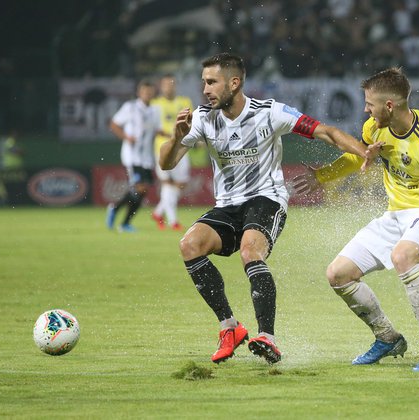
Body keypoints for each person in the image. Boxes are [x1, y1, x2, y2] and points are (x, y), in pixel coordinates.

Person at [160, 53, 370, 364]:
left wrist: (364, 152)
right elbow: (166, 163)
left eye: (211, 82)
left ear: (234, 82)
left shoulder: (270, 112)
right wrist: (177, 139)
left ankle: (267, 337)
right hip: (228, 205)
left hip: (266, 199)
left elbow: (326, 132)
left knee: (249, 251)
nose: (205, 89)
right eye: (203, 82)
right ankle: (229, 327)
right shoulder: (203, 119)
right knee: (189, 245)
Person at [292, 67, 419, 371]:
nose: (365, 109)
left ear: (389, 105)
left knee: (402, 256)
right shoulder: (374, 128)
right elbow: (358, 157)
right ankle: (387, 337)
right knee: (338, 274)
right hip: (395, 215)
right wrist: (323, 177)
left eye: (369, 104)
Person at [107, 79, 163, 232]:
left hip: (147, 158)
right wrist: (127, 137)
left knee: (142, 191)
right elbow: (114, 124)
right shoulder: (130, 107)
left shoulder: (155, 110)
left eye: (150, 92)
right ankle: (122, 219)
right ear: (139, 93)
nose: (148, 94)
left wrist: (171, 135)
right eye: (145, 92)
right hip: (132, 156)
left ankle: (118, 212)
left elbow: (155, 130)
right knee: (140, 188)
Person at [151, 75, 194, 231]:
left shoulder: (185, 102)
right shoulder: (155, 104)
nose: (169, 87)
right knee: (167, 183)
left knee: (180, 184)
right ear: (161, 86)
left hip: (182, 148)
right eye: (166, 84)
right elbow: (151, 127)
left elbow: (193, 121)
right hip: (162, 149)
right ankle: (173, 220)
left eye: (171, 84)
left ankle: (158, 212)